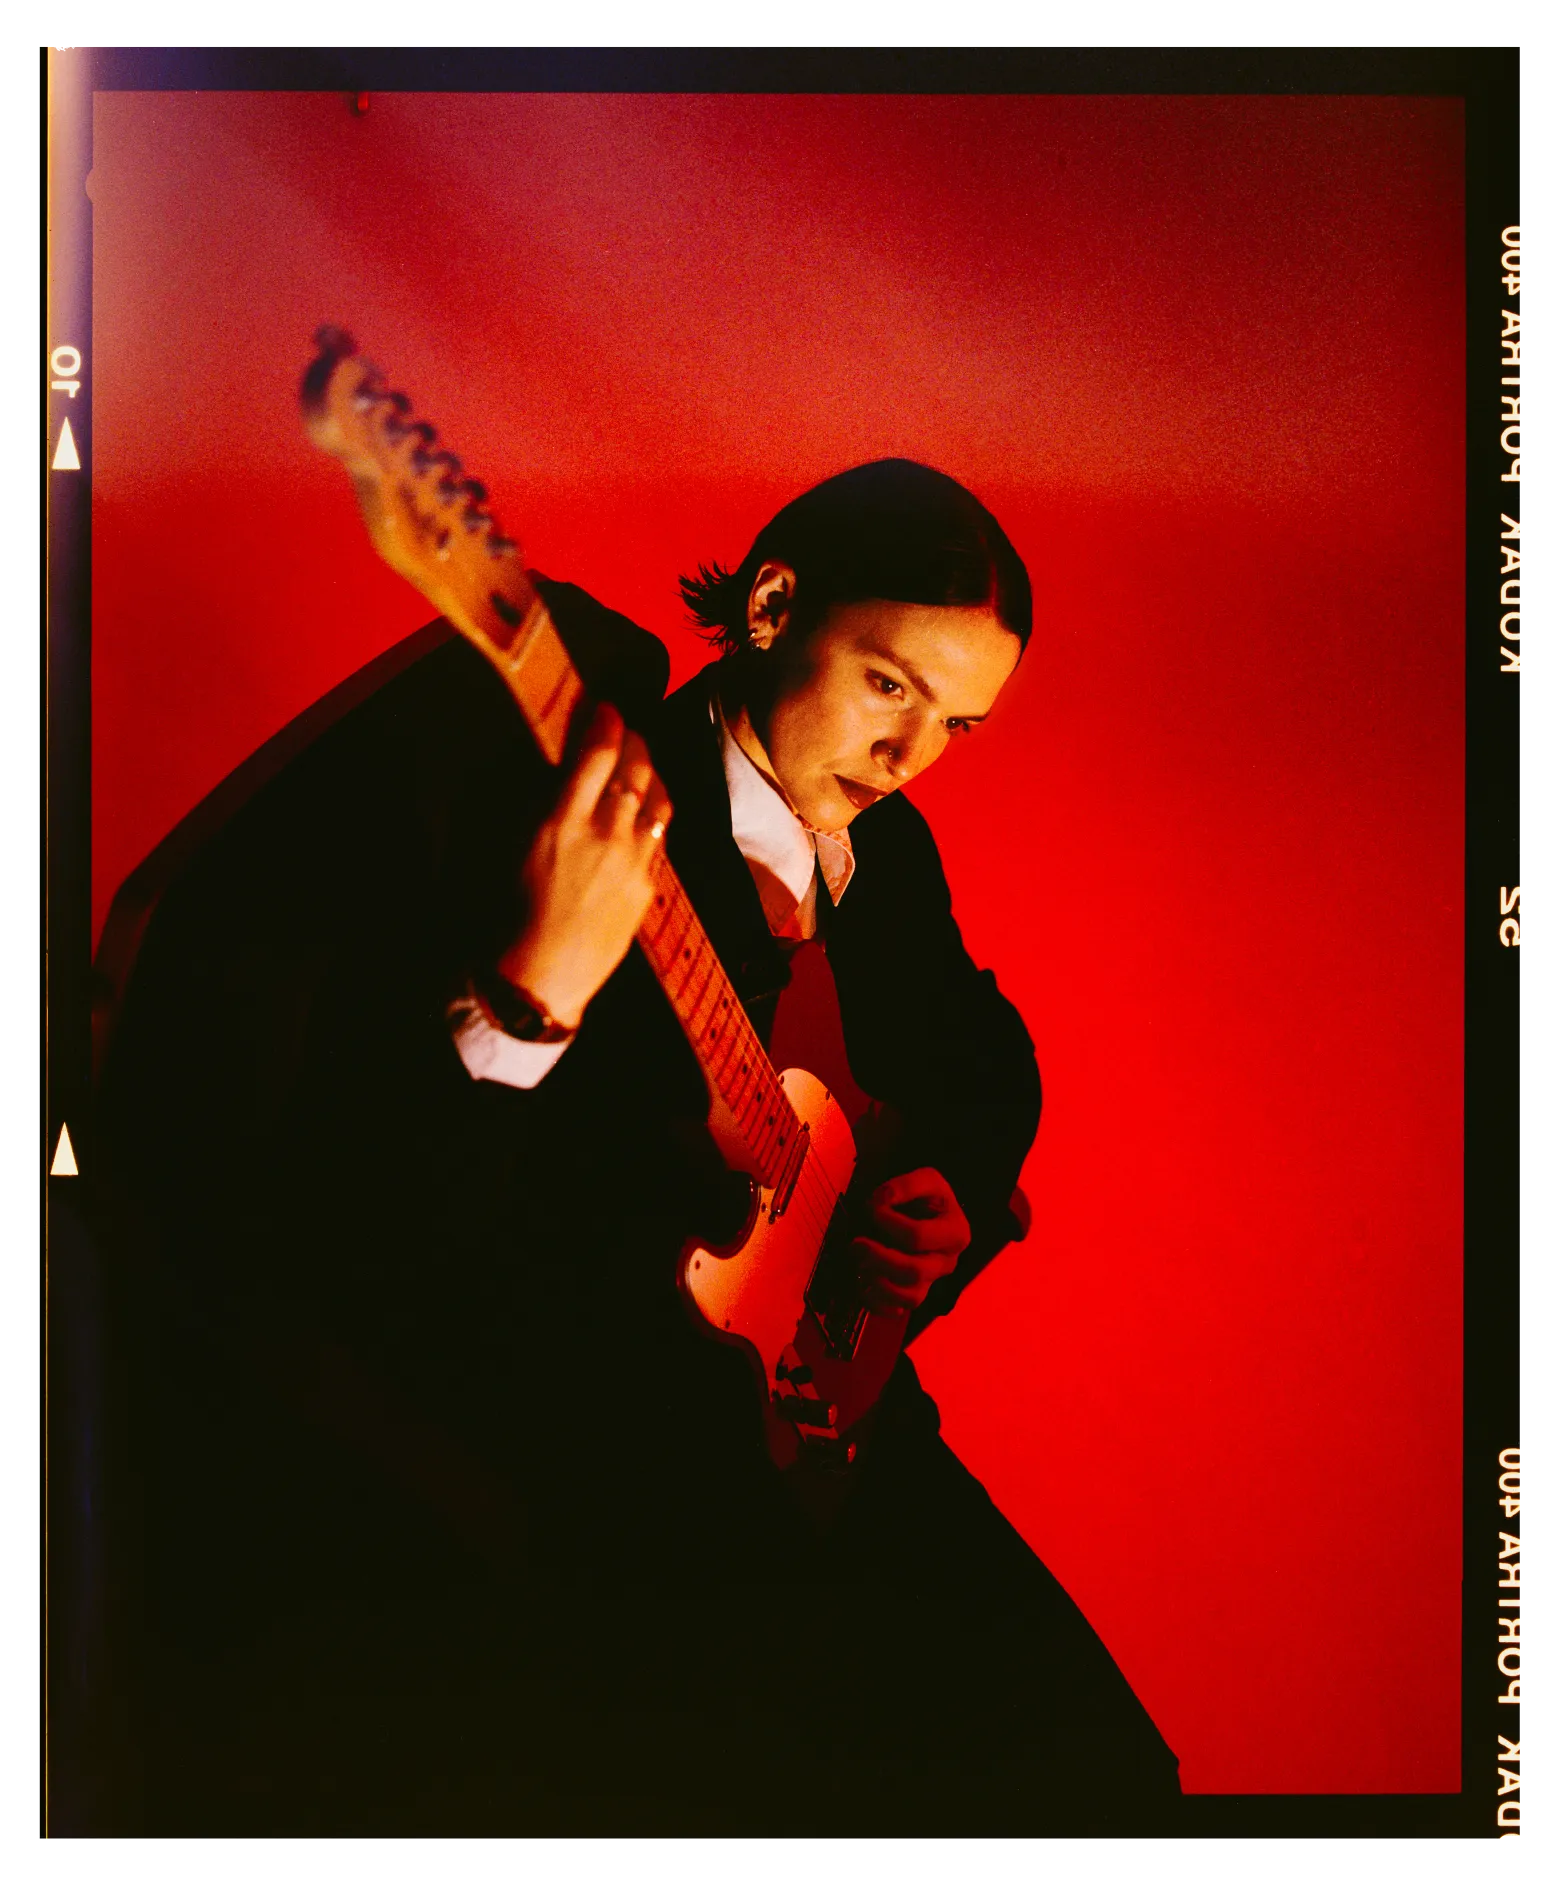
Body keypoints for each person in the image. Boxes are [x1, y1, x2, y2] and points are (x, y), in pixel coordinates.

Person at [94, 460, 1179, 1835]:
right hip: (588, 1473)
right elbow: (372, 1213)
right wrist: (530, 994)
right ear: (772, 606)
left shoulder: (890, 860)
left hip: (822, 1427)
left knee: (1107, 1778)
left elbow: (988, 1057)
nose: (909, 756)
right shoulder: (557, 794)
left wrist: (950, 1193)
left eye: (957, 723)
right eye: (888, 686)